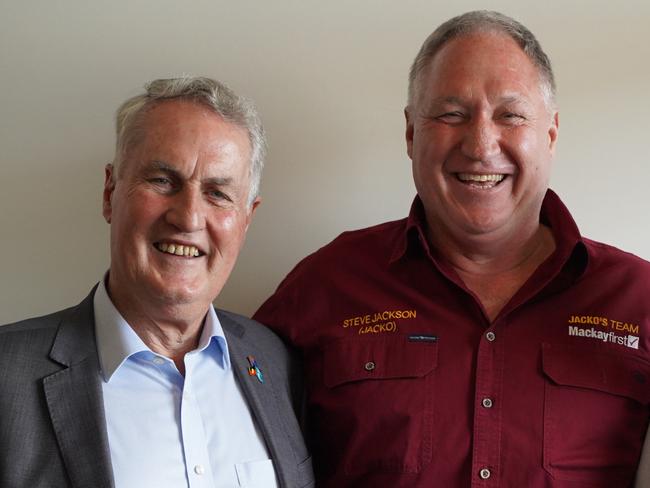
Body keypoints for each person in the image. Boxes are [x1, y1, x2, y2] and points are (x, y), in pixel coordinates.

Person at [254, 10, 650, 488]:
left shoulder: (636, 300)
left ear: (550, 134)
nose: (482, 144)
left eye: (511, 115)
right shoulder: (326, 286)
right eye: (451, 114)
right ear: (410, 132)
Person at [0, 76, 313, 488]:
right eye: (163, 181)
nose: (187, 218)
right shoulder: (9, 376)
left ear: (247, 218)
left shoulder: (275, 361)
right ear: (110, 192)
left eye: (218, 193)